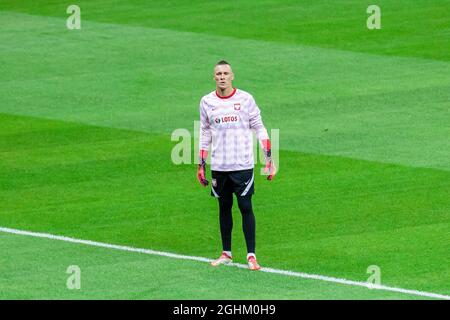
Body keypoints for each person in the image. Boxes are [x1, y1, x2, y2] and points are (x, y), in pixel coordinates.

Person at [197, 60, 276, 271]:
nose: (222, 77)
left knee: (245, 207)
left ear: (232, 76)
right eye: (218, 74)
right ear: (214, 77)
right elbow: (204, 133)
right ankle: (226, 253)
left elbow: (259, 128)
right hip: (219, 166)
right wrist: (201, 164)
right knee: (224, 208)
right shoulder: (206, 102)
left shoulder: (246, 99)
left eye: (225, 73)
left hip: (242, 164)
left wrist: (269, 158)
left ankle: (251, 255)